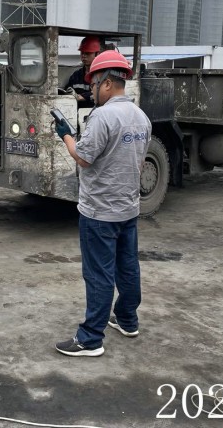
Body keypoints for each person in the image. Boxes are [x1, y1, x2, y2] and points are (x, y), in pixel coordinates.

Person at [53, 49, 151, 356]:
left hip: (99, 211)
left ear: (107, 83)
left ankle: (90, 338)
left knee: (99, 274)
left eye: (93, 85)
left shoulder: (102, 116)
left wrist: (66, 135)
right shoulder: (141, 116)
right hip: (127, 207)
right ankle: (127, 320)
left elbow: (83, 158)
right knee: (127, 267)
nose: (91, 90)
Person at [63, 36, 102, 104]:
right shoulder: (76, 75)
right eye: (82, 53)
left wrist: (83, 97)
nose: (84, 56)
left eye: (87, 53)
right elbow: (67, 91)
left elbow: (102, 93)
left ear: (97, 54)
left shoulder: (102, 75)